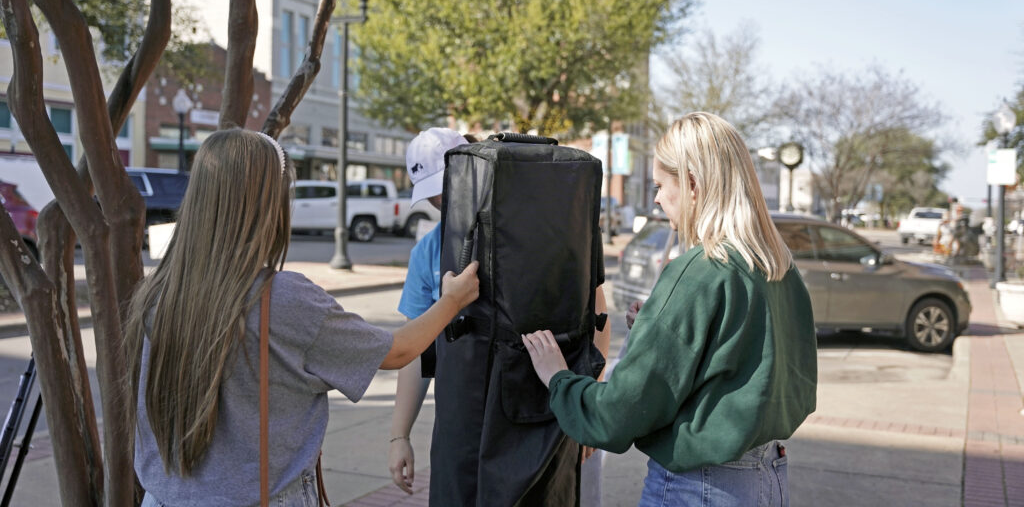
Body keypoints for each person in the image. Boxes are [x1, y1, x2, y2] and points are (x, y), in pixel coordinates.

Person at [126, 128, 479, 506]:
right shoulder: (284, 299)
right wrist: (452, 301)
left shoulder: (157, 293)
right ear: (267, 204)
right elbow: (397, 352)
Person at [523, 112, 818, 507]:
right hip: (767, 476)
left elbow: (620, 412)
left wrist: (557, 378)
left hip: (702, 484)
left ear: (693, 185)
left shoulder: (699, 271)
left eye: (661, 185)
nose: (657, 198)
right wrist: (657, 321)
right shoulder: (778, 266)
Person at [387, 128, 611, 501]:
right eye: (432, 195)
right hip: (468, 425)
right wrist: (399, 435)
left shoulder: (547, 237)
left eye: (446, 188)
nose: (442, 201)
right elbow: (415, 348)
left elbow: (594, 318)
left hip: (548, 415)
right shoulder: (428, 252)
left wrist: (587, 407)